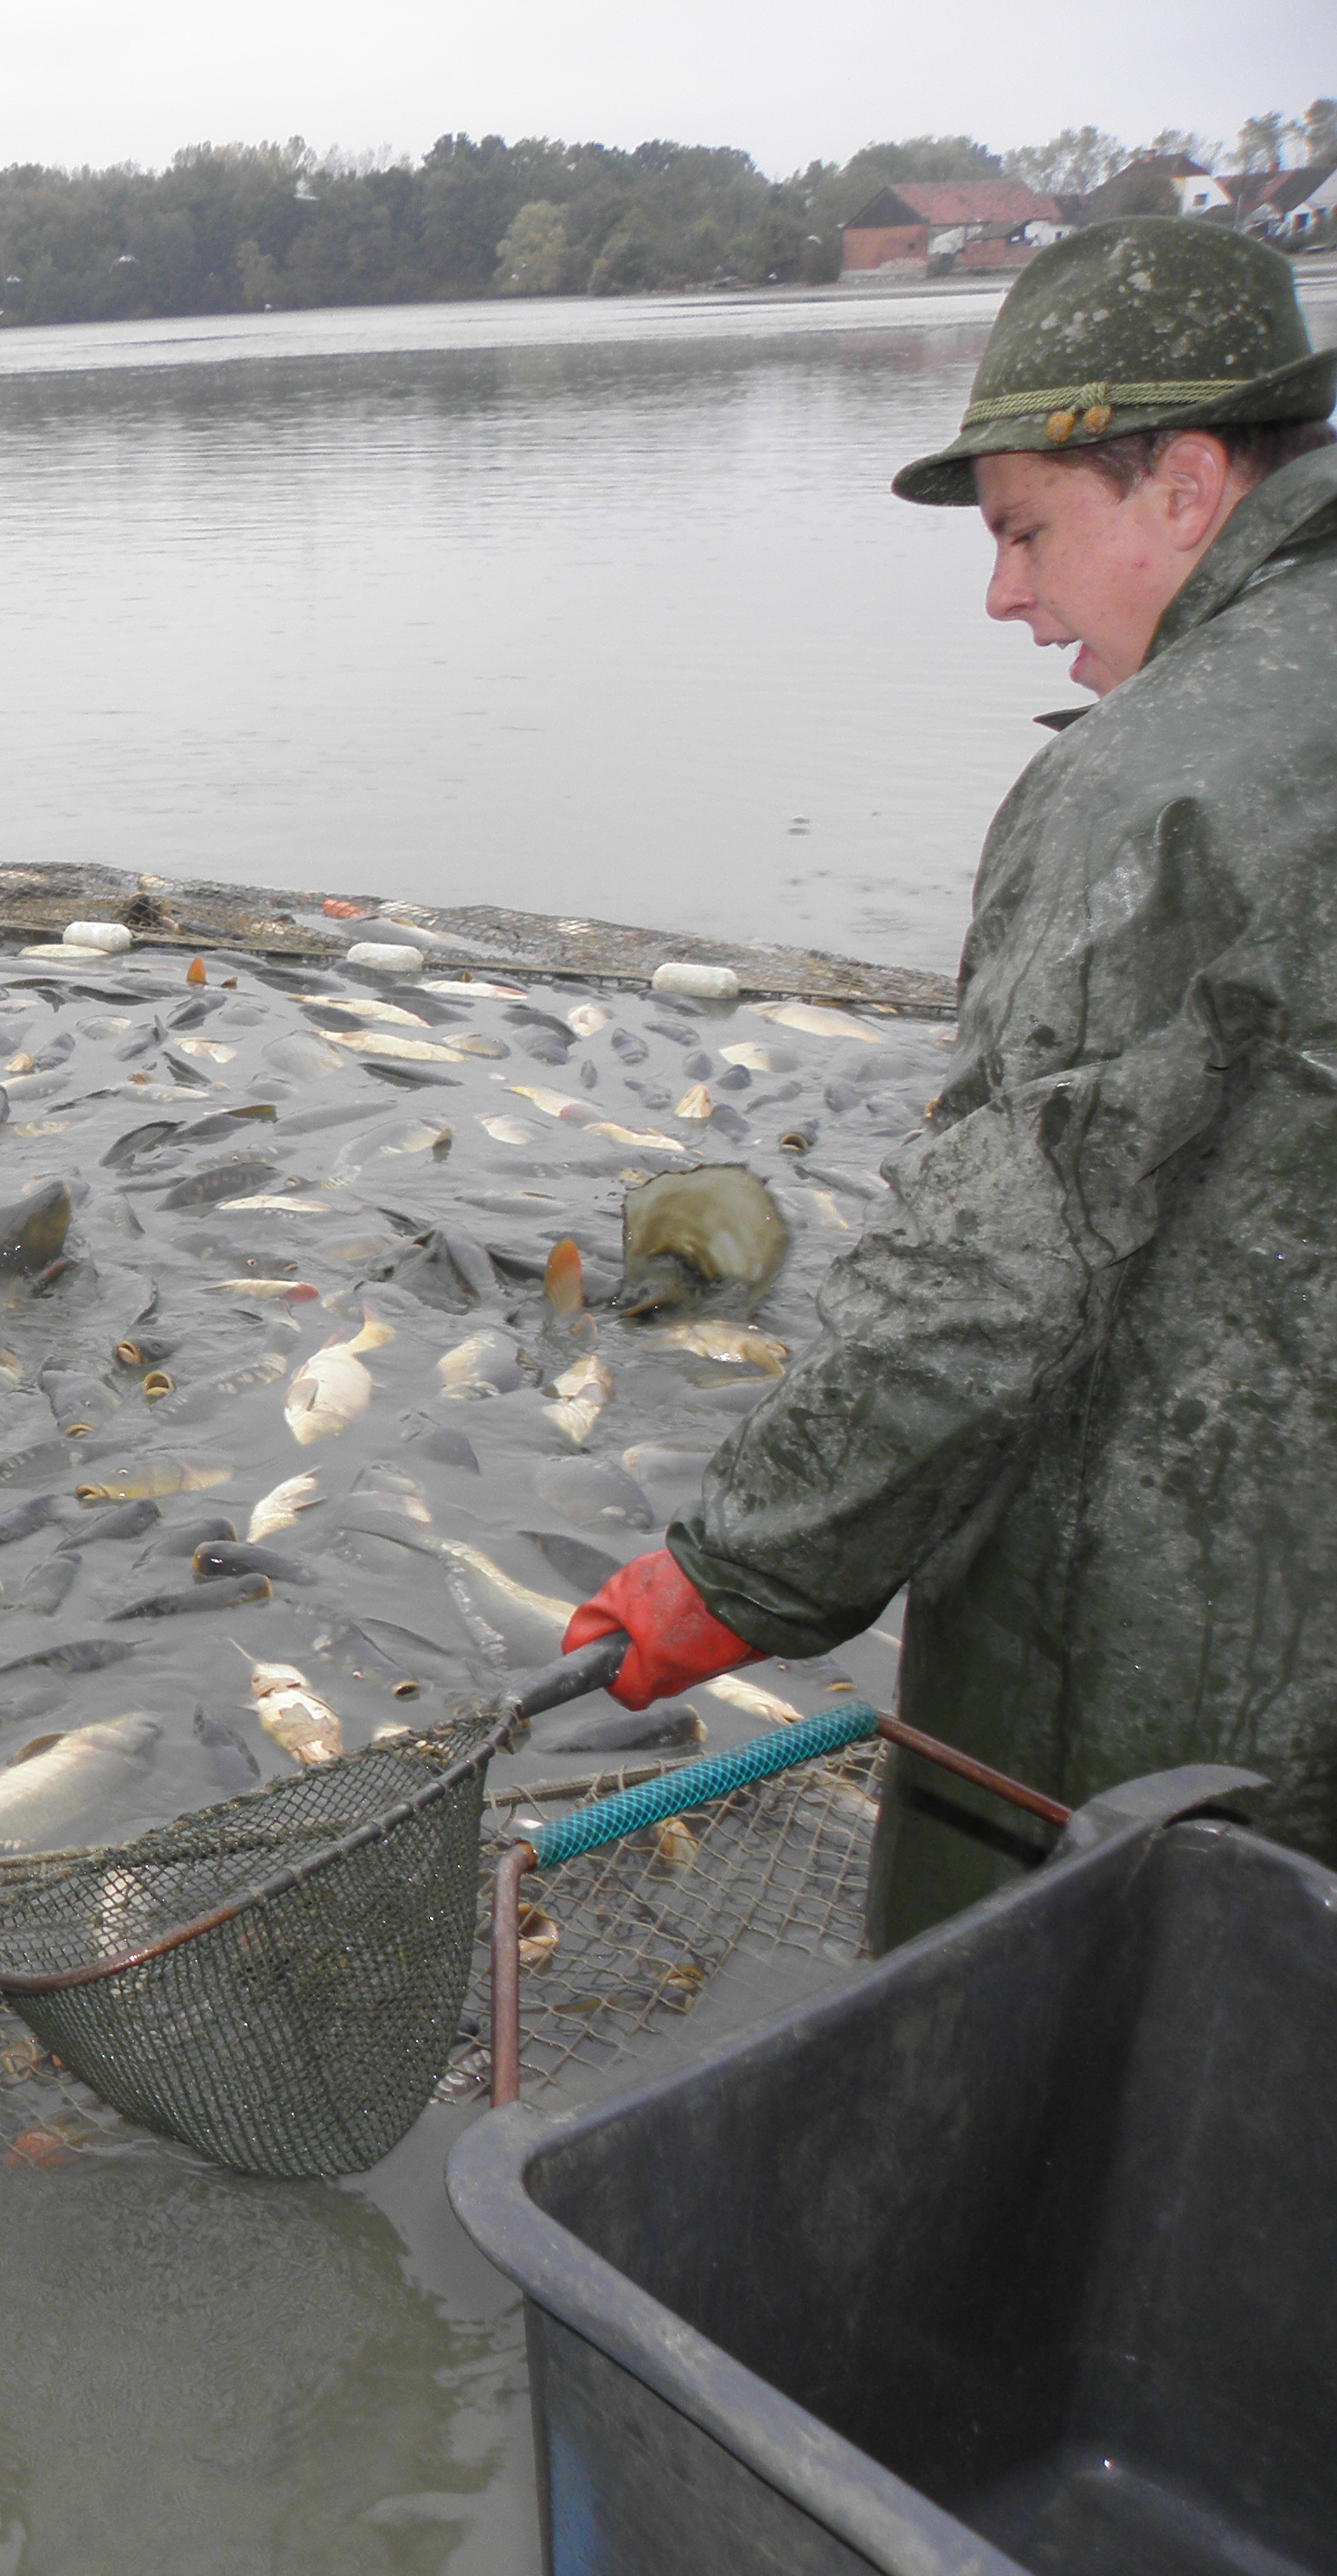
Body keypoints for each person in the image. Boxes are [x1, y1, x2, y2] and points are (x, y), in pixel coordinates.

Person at [562, 217, 1337, 1949]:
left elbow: (992, 1268)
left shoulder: (1161, 785)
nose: (1004, 597)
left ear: (1187, 486)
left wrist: (737, 1566)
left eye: (1021, 532)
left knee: (1062, 2116)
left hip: (1163, 1691)